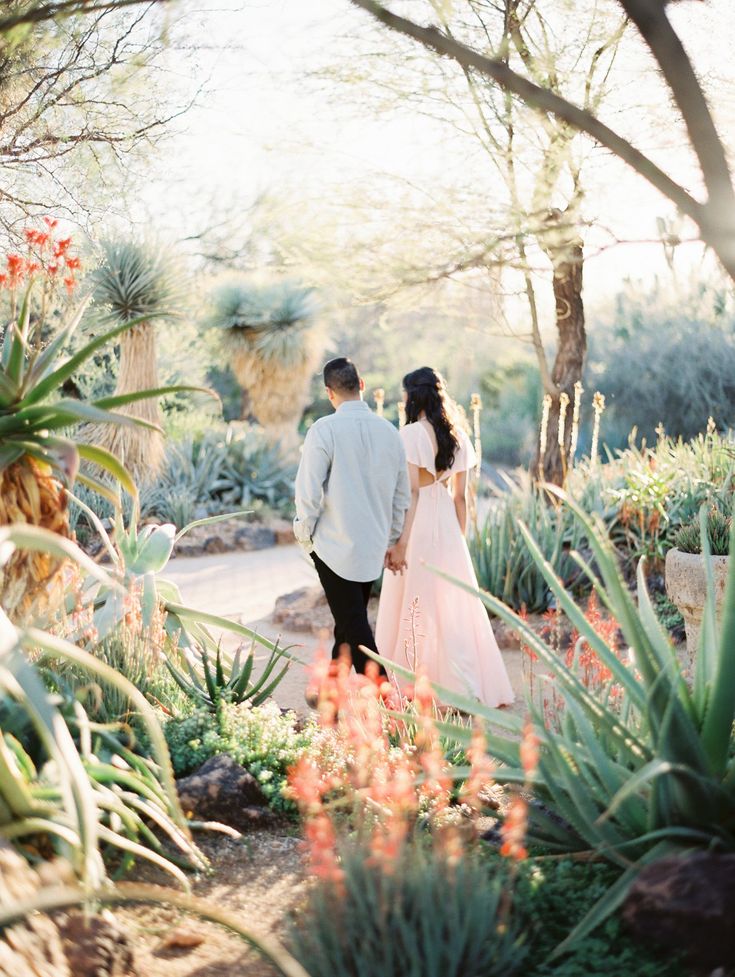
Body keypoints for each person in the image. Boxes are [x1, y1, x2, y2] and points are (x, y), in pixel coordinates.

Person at [376, 366, 514, 708]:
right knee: (453, 606)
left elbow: (411, 493)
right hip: (449, 527)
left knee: (413, 603)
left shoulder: (410, 435)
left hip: (418, 525)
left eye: (405, 393)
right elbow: (461, 497)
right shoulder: (459, 437)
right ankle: (465, 686)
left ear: (414, 396)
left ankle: (411, 687)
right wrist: (459, 539)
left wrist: (400, 542)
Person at [294, 357, 411, 677]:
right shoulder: (390, 433)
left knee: (355, 628)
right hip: (372, 545)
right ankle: (330, 700)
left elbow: (308, 491)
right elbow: (402, 496)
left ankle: (389, 700)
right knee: (347, 625)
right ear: (361, 385)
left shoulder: (324, 429)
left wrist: (305, 535)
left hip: (332, 547)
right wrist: (390, 539)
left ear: (329, 393)